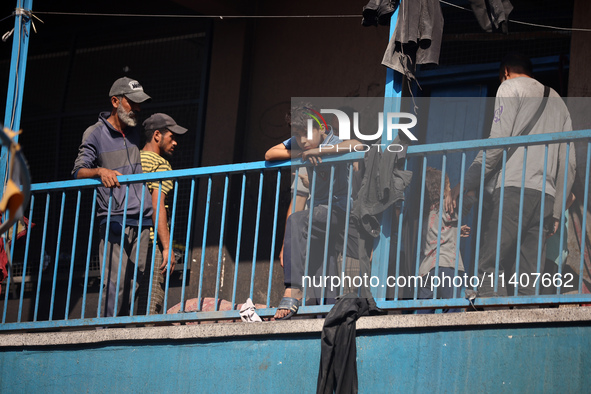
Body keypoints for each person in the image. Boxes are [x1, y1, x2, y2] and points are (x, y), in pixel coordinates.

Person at [450, 53, 576, 298]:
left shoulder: (509, 87)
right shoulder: (559, 101)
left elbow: (497, 143)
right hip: (546, 197)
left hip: (514, 189)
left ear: (505, 71)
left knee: (490, 262)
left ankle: (488, 321)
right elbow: (569, 163)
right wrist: (557, 209)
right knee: (528, 275)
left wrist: (466, 182)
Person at [265, 103, 359, 319]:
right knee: (320, 260)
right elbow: (269, 154)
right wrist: (301, 153)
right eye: (298, 136)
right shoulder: (302, 146)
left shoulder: (331, 142)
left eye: (306, 134)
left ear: (321, 129)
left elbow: (357, 144)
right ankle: (326, 313)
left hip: (340, 212)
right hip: (318, 217)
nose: (303, 140)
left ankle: (294, 289)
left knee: (298, 220)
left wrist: (321, 151)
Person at [72, 76, 153, 317]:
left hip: (143, 219)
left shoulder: (138, 132)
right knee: (114, 282)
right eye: (132, 102)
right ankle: (106, 330)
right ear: (115, 101)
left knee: (136, 282)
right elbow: (78, 171)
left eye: (139, 103)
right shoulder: (95, 133)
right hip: (114, 218)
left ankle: (123, 331)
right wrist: (99, 170)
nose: (137, 108)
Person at [138, 113, 187, 314]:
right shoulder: (161, 165)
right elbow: (156, 206)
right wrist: (166, 247)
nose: (175, 143)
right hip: (150, 240)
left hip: (131, 237)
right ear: (157, 135)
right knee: (152, 300)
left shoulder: (134, 161)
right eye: (171, 137)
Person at [418, 167, 470, 313]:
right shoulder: (447, 206)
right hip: (446, 266)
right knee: (452, 308)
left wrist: (455, 231)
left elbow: (437, 232)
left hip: (426, 269)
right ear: (441, 189)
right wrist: (469, 190)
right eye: (448, 186)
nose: (450, 189)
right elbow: (468, 202)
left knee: (423, 313)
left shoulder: (425, 212)